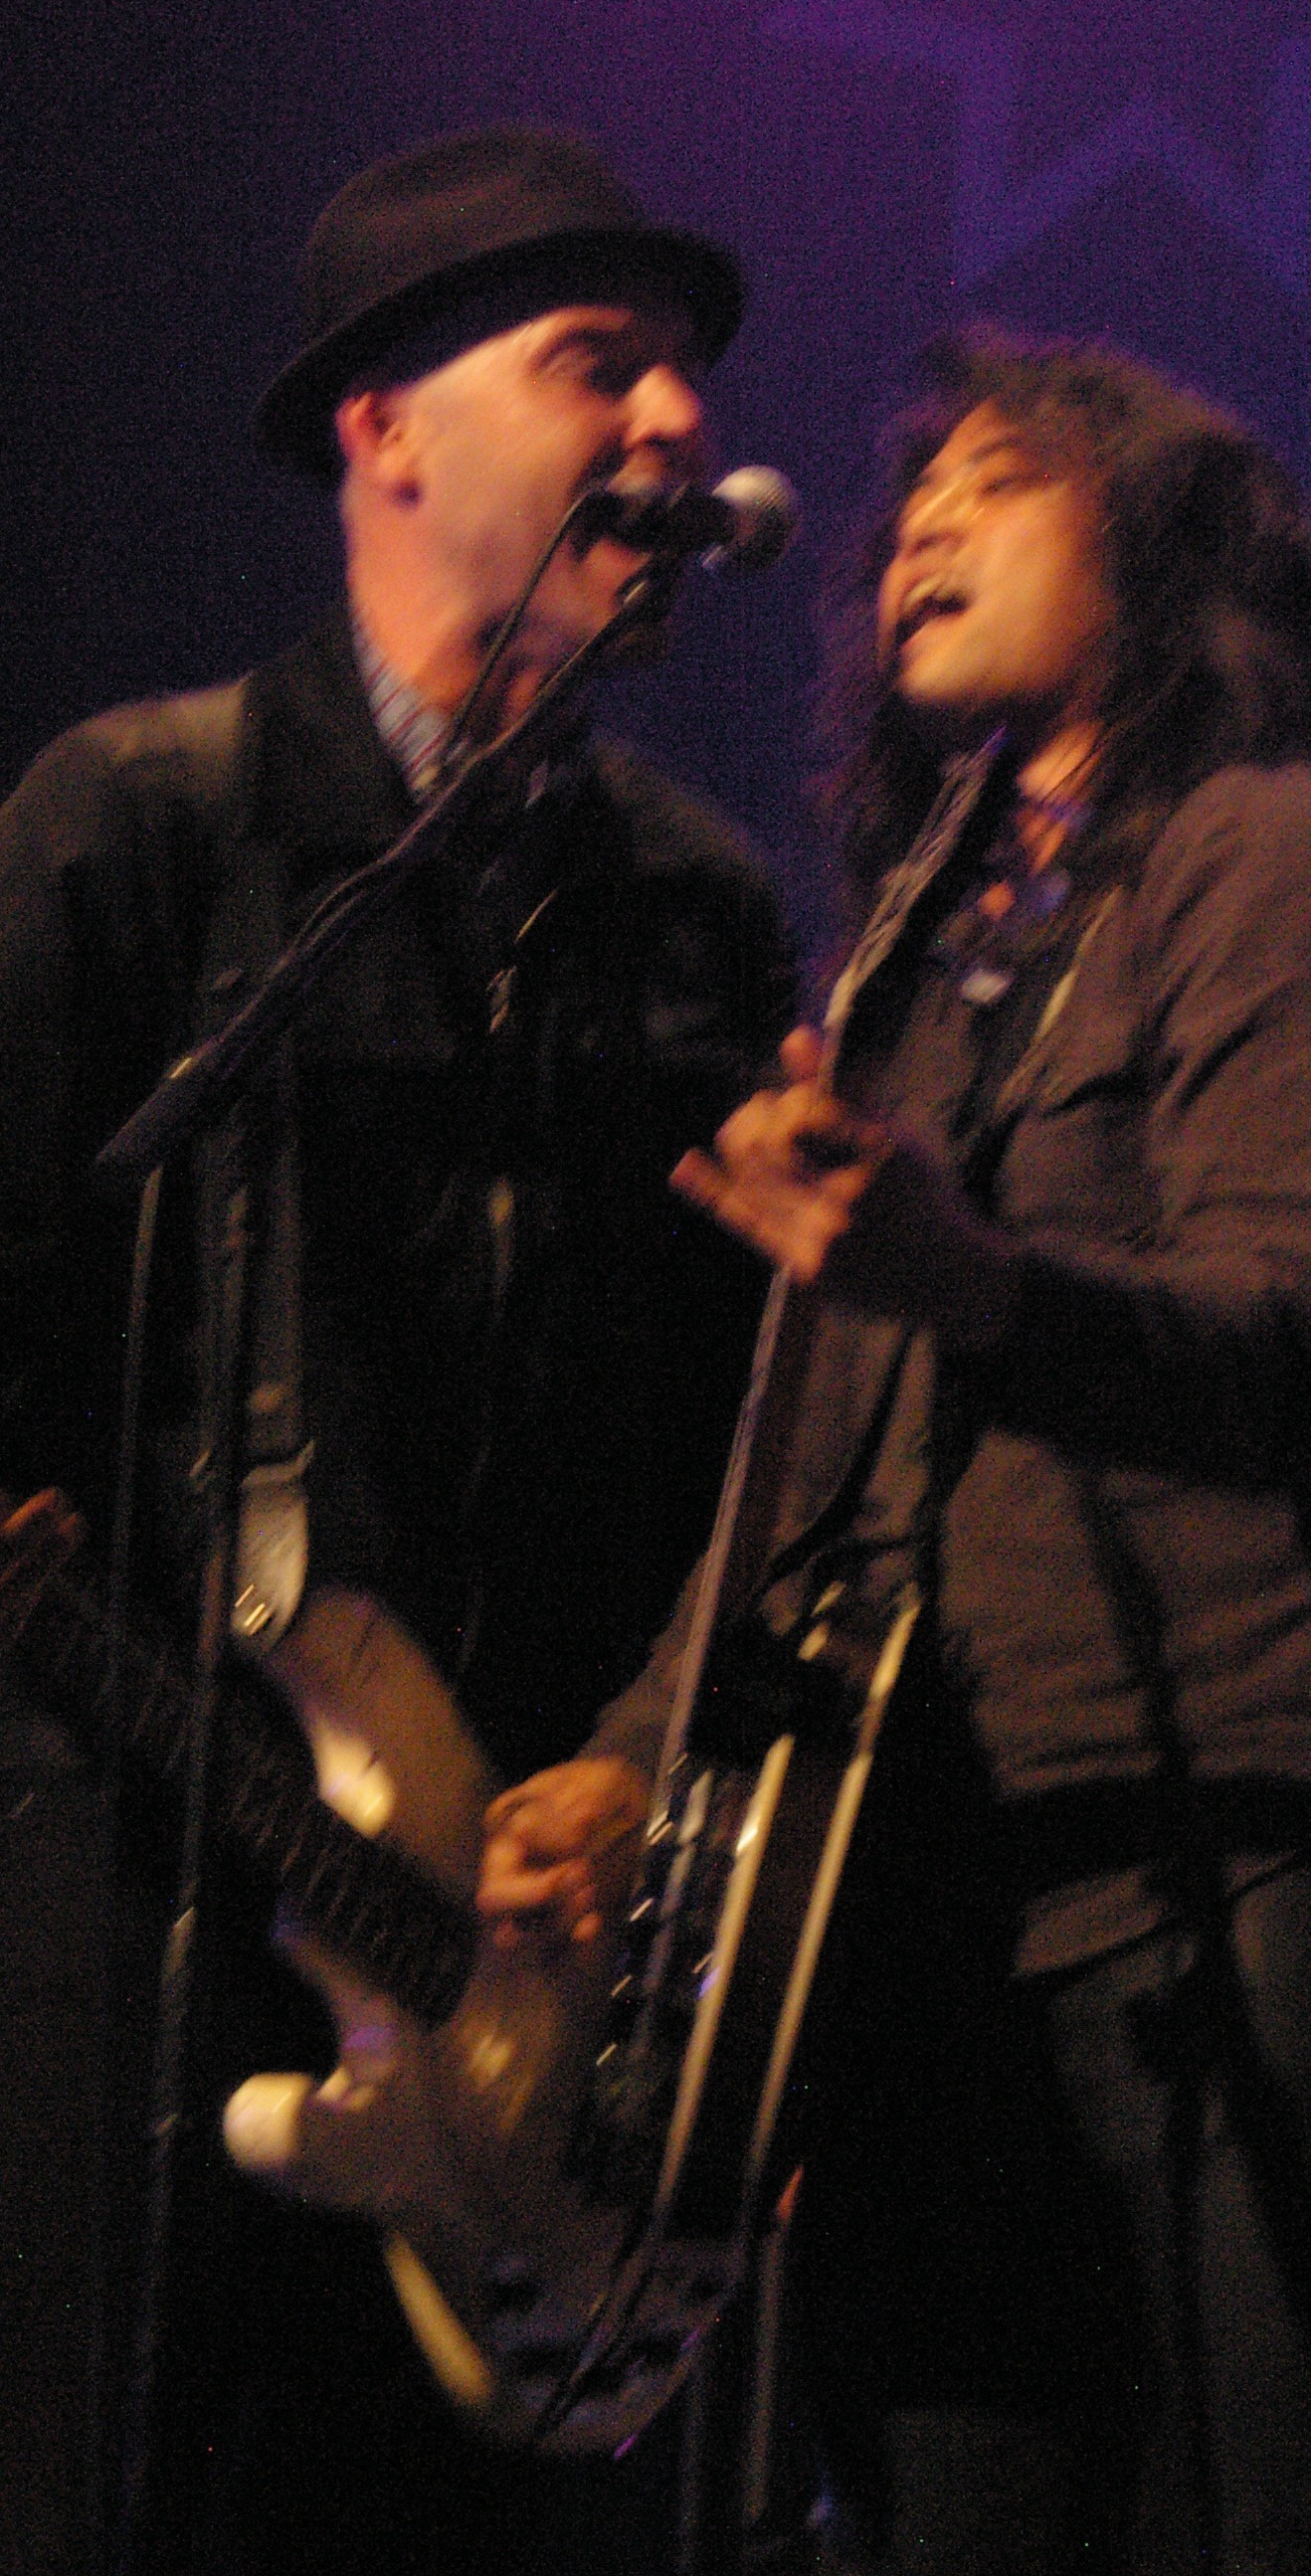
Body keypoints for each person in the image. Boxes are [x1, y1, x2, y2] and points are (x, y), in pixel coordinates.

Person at [486, 331, 1311, 2574]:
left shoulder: (1269, 862)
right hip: (923, 1931)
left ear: (1161, 550)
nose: (922, 525)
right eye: (911, 502)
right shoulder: (914, 988)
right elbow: (808, 1478)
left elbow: (1301, 1343)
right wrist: (628, 1766)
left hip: (1238, 1881)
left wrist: (972, 1281)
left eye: (1002, 480)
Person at [0, 126, 794, 2576]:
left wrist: (627, 1769)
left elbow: (752, 1459)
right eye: (595, 361)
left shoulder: (697, 911)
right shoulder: (145, 828)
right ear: (385, 430)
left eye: (682, 373)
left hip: (537, 2011)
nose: (673, 418)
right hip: (151, 1923)